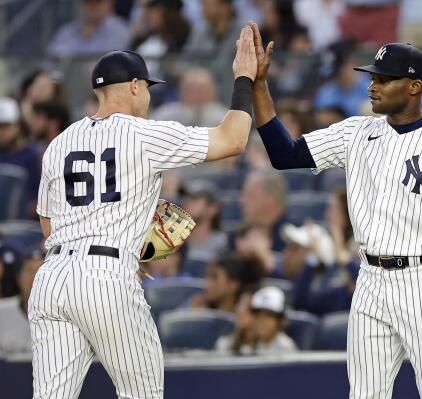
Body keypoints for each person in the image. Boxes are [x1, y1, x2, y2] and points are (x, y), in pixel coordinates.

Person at [250, 22, 422, 398]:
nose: (373, 86)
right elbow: (285, 155)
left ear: (414, 87)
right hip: (370, 280)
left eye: (384, 79)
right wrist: (259, 86)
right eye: (373, 78)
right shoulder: (356, 132)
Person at [30, 23, 257, 399]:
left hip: (51, 278)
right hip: (105, 277)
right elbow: (233, 140)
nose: (149, 97)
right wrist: (244, 78)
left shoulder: (61, 141)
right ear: (135, 86)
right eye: (148, 88)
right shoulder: (142, 133)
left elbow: (47, 221)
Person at [0, 97, 42, 218]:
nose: (0, 132)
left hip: (26, 222)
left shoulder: (34, 155)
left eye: (5, 126)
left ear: (18, 126)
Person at [215, 286, 297, 355]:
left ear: (280, 320)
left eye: (268, 316)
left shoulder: (285, 347)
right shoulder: (254, 343)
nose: (262, 321)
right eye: (258, 316)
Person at [48, 0, 131, 57]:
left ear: (109, 2)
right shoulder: (67, 31)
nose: (92, 6)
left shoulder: (120, 30)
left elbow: (112, 62)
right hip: (68, 79)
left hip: (103, 80)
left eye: (98, 2)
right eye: (88, 2)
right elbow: (52, 60)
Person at [188, 252, 263, 312]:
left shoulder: (244, 317)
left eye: (214, 277)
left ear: (233, 285)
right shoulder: (199, 307)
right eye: (207, 276)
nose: (207, 283)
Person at [240, 169, 289, 252]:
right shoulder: (238, 237)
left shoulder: (292, 240)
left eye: (250, 195)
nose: (242, 201)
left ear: (270, 200)